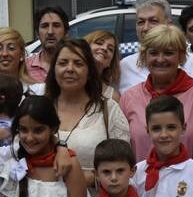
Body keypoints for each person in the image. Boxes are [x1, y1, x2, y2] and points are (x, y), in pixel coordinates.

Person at [119, 24, 193, 159]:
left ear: (181, 57)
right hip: (142, 179)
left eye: (168, 53)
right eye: (153, 53)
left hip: (190, 180)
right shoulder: (129, 98)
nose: (160, 59)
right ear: (144, 57)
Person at [46, 37, 130, 187]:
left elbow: (123, 166)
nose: (70, 69)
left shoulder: (108, 109)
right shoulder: (40, 108)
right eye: (63, 63)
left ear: (90, 71)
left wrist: (90, 179)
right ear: (53, 69)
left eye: (78, 63)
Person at [118, 0, 193, 93]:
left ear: (169, 25)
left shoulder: (192, 63)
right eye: (141, 22)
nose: (145, 28)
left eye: (153, 21)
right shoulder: (125, 67)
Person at [26, 6, 69, 83]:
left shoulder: (74, 67)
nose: (50, 32)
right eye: (45, 26)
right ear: (37, 33)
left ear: (66, 32)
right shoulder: (24, 67)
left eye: (56, 25)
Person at [84, 29, 120, 95]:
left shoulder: (113, 97)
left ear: (111, 62)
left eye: (110, 49)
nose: (105, 48)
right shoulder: (68, 82)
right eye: (99, 43)